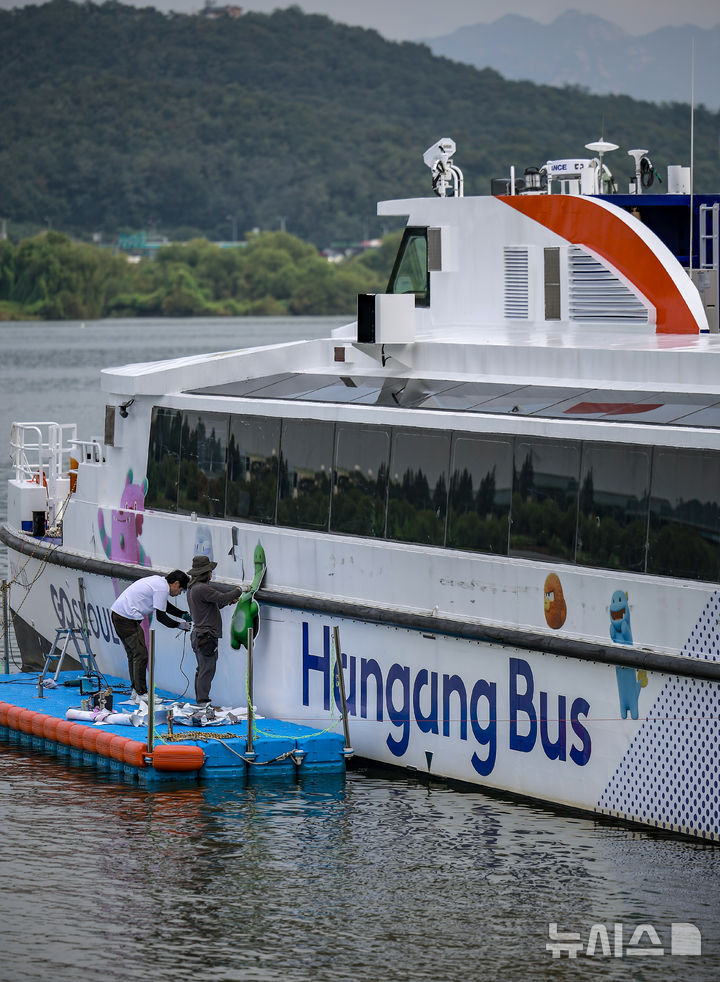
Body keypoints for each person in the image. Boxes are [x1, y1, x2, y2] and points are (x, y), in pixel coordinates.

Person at [111, 569, 191, 701]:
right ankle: (142, 694)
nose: (179, 594)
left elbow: (163, 605)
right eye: (181, 590)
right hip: (126, 619)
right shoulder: (162, 589)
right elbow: (161, 617)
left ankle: (136, 692)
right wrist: (179, 625)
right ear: (176, 584)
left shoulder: (159, 583)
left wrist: (181, 614)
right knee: (140, 655)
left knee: (133, 655)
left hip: (119, 614)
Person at [186, 555, 242, 706]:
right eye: (210, 570)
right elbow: (223, 597)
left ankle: (201, 701)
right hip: (206, 636)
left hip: (199, 634)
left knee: (203, 669)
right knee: (207, 670)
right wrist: (239, 590)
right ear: (206, 572)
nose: (212, 573)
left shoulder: (192, 589)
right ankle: (203, 702)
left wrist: (228, 601)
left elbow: (214, 604)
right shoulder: (202, 588)